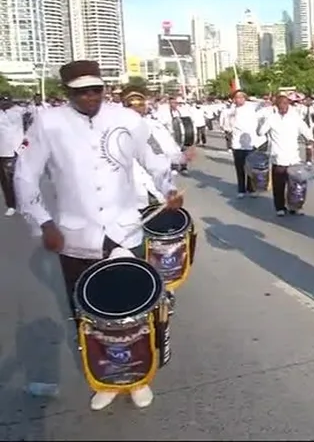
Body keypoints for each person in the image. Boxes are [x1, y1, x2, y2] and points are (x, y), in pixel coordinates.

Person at [14, 60, 182, 411]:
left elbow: (155, 162)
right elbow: (25, 176)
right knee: (87, 315)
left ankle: (139, 377)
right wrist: (44, 222)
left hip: (125, 231)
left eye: (96, 89)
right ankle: (104, 377)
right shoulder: (48, 123)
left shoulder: (128, 119)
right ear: (67, 92)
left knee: (136, 311)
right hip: (75, 237)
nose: (90, 97)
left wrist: (169, 189)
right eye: (81, 91)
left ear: (104, 88)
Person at [121, 86, 194, 208]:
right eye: (131, 104)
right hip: (130, 195)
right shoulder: (113, 129)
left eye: (139, 103)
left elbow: (163, 158)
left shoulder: (154, 126)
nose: (136, 107)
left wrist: (169, 189)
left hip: (152, 190)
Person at [256, 94, 313, 216]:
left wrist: (309, 153)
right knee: (279, 185)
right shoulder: (272, 118)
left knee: (295, 185)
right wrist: (261, 122)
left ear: (289, 105)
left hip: (294, 158)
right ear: (276, 106)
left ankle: (294, 206)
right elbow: (260, 133)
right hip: (278, 158)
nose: (283, 106)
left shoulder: (295, 118)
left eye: (286, 103)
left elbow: (308, 134)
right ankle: (279, 208)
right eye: (280, 103)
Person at [227, 90, 262, 198]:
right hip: (237, 143)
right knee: (240, 167)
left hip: (250, 142)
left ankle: (251, 188)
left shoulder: (252, 107)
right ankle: (241, 189)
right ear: (234, 99)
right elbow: (226, 125)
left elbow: (264, 103)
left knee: (251, 167)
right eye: (237, 97)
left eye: (242, 97)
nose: (240, 99)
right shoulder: (230, 111)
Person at [0, 94, 25, 216]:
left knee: (21, 179)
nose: (4, 104)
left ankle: (25, 203)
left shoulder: (20, 111)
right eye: (2, 101)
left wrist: (25, 147)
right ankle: (11, 205)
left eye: (6, 101)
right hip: (3, 151)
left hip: (18, 150)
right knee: (6, 182)